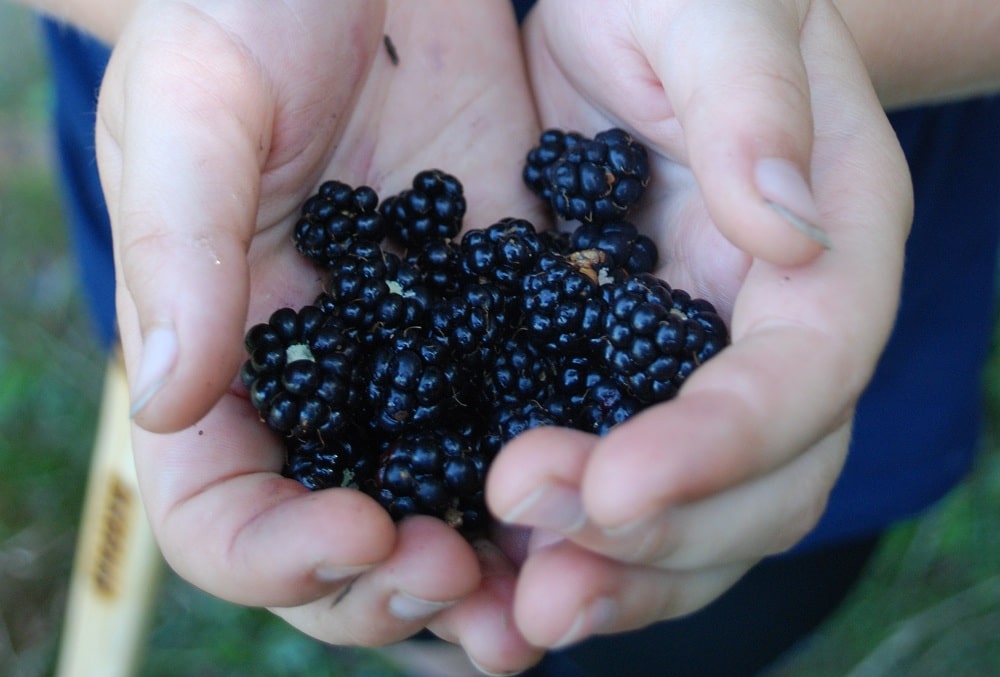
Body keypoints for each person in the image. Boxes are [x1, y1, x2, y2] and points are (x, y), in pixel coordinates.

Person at [17, 0, 1000, 674]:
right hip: (240, 164)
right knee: (427, 594)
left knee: (702, 589)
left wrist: (795, 26)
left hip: (794, 204)